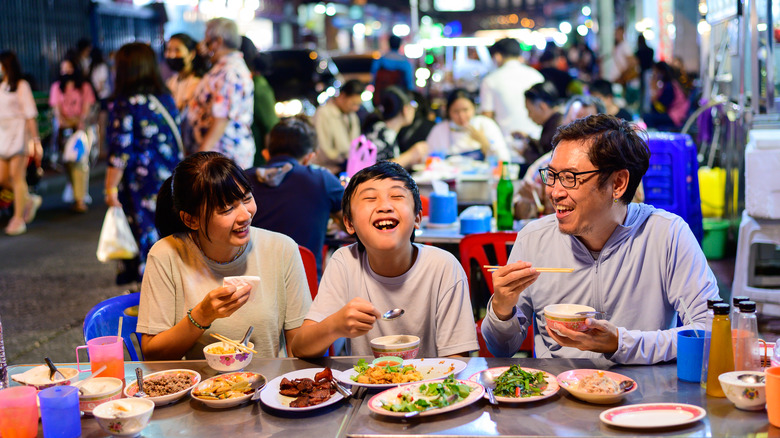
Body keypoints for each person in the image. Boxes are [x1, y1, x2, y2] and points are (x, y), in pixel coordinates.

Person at [482, 114, 719, 364]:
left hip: (641, 396)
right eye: (552, 175)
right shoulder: (534, 239)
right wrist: (501, 308)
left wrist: (621, 343)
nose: (554, 192)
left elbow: (710, 332)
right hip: (558, 392)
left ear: (618, 183)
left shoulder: (666, 234)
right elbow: (501, 349)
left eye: (570, 178)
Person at [289, 161, 480, 358]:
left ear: (417, 218)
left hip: (428, 386)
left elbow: (458, 361)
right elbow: (301, 348)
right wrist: (335, 325)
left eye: (397, 196)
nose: (384, 206)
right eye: (370, 198)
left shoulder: (443, 267)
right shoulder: (345, 262)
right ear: (349, 222)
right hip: (366, 386)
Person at [137, 152, 311, 360]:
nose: (245, 215)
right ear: (191, 220)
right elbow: (153, 355)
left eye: (247, 199)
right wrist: (202, 315)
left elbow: (299, 350)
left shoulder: (282, 249)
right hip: (200, 389)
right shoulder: (165, 255)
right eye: (227, 209)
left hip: (268, 388)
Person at [104, 42, 184, 283]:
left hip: (140, 184)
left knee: (145, 237)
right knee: (166, 234)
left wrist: (109, 188)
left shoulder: (126, 103)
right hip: (170, 178)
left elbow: (120, 151)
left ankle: (150, 298)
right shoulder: (164, 98)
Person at [247, 117, 343, 278]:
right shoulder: (322, 180)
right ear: (310, 157)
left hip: (252, 286)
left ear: (267, 153)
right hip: (306, 288)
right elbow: (352, 224)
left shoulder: (242, 179)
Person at [188, 18, 255, 169]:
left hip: (221, 159)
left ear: (217, 41)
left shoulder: (229, 72)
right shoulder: (224, 68)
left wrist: (198, 160)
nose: (202, 46)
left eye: (206, 40)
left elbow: (221, 119)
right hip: (217, 156)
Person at [0, 50, 43, 236]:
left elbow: (30, 115)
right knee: (2, 179)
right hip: (2, 137)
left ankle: (18, 219)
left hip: (18, 136)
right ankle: (28, 199)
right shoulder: (1, 86)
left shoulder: (21, 85)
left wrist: (35, 141)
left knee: (17, 177)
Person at [49, 53, 96, 213]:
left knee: (81, 164)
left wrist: (78, 122)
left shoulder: (85, 87)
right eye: (63, 69)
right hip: (64, 132)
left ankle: (80, 198)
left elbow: (86, 111)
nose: (66, 72)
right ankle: (76, 193)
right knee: (68, 164)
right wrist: (68, 122)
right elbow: (57, 112)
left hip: (81, 132)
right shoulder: (56, 87)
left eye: (69, 68)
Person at [480, 38, 545, 150]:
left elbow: (487, 118)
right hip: (537, 141)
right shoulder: (536, 76)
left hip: (507, 144)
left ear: (497, 56)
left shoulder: (490, 80)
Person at [425, 88, 509, 162]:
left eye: (465, 110)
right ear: (448, 112)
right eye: (456, 111)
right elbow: (428, 160)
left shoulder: (485, 124)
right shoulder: (440, 130)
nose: (461, 116)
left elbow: (504, 159)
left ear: (474, 107)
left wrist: (483, 141)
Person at [363, 86, 428, 169]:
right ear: (405, 109)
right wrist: (411, 154)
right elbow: (378, 169)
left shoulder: (384, 130)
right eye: (413, 107)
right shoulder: (381, 132)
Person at [312, 79, 365, 174]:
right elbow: (323, 149)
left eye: (358, 105)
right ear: (342, 96)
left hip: (347, 169)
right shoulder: (323, 113)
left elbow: (356, 143)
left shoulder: (352, 115)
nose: (355, 108)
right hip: (327, 171)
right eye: (353, 104)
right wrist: (343, 160)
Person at [517, 82, 563, 163]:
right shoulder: (554, 122)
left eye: (529, 111)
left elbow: (547, 164)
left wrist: (525, 152)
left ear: (542, 106)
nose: (529, 116)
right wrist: (528, 139)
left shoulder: (557, 128)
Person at [644, 61, 690, 131]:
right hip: (672, 115)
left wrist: (653, 88)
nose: (654, 74)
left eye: (655, 72)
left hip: (675, 117)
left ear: (661, 72)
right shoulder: (667, 84)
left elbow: (661, 108)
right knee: (648, 116)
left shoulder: (670, 86)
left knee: (647, 117)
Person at [250, 52, 278, 167]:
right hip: (256, 156)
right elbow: (270, 125)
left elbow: (270, 126)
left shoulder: (258, 86)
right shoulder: (258, 85)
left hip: (257, 157)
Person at [371, 35, 414, 107]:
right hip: (399, 97)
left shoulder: (380, 60)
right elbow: (409, 83)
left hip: (382, 96)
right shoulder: (405, 63)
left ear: (389, 44)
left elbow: (374, 78)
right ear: (399, 45)